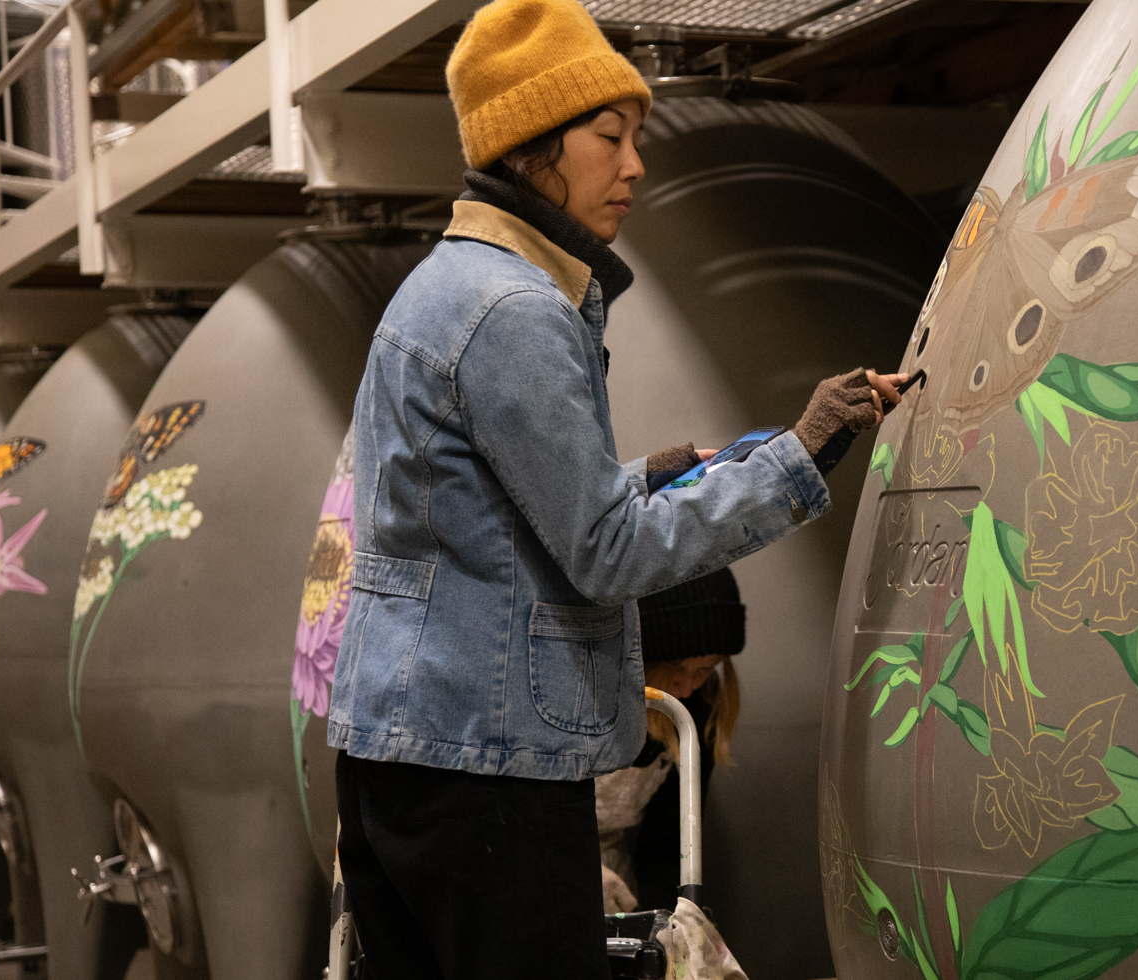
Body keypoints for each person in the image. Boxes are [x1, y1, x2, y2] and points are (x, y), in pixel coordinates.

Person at [322, 0, 907, 977]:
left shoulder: (441, 284)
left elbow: (466, 517)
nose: (635, 165)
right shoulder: (517, 306)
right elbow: (610, 553)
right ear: (528, 146)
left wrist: (646, 475)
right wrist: (796, 454)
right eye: (610, 136)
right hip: (488, 764)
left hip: (401, 750)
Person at [598, 568, 744, 914]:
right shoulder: (585, 699)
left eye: (705, 669)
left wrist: (665, 927)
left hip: (618, 893)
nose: (686, 687)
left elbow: (666, 849)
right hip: (537, 867)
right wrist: (573, 866)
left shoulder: (695, 715)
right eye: (674, 669)